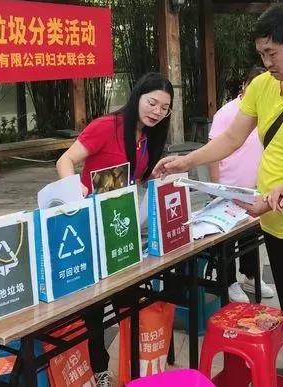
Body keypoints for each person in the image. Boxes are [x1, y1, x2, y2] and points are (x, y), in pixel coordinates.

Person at [154, 4, 283, 387]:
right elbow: (231, 137)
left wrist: (275, 200)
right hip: (276, 229)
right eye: (261, 55)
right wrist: (186, 161)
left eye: (272, 53)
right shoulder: (262, 87)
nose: (267, 63)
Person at [56, 72, 174, 387]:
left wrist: (157, 176)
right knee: (94, 307)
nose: (157, 112)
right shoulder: (107, 126)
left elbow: (135, 178)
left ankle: (136, 366)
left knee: (129, 297)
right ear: (137, 96)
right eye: (152, 103)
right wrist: (74, 191)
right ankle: (100, 370)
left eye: (164, 108)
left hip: (120, 228)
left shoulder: (148, 137)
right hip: (89, 227)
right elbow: (65, 161)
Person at [208, 65, 275, 303]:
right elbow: (214, 150)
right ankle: (229, 282)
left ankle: (251, 277)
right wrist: (216, 186)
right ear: (244, 86)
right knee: (227, 239)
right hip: (228, 188)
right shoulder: (227, 113)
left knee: (250, 237)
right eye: (254, 85)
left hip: (254, 187)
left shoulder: (266, 110)